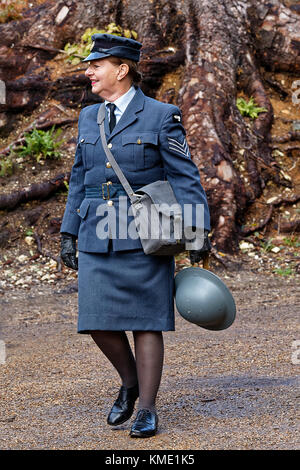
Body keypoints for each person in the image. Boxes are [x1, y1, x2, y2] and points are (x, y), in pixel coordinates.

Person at [60, 33, 211, 438]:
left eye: (97, 64)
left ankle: (146, 408)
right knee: (95, 320)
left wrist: (197, 230)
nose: (88, 71)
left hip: (146, 233)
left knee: (147, 322)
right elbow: (80, 176)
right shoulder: (87, 117)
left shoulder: (162, 115)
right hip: (95, 230)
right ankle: (129, 383)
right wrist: (68, 231)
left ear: (122, 70)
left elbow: (185, 177)